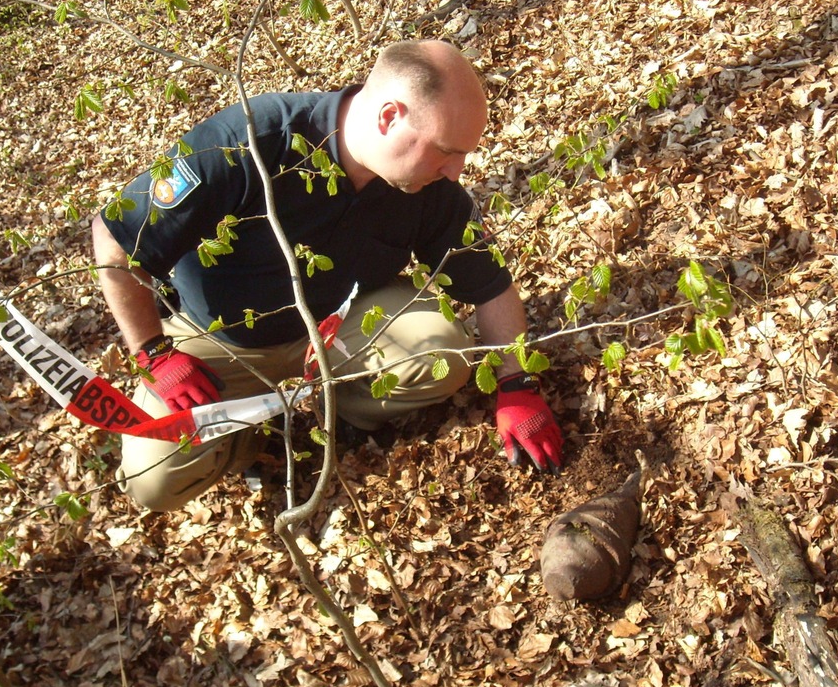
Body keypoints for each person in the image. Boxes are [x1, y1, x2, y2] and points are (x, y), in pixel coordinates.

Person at [92, 39, 563, 512]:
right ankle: (247, 437)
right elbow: (114, 237)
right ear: (388, 118)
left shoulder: (429, 185)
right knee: (152, 481)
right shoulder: (252, 139)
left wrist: (517, 383)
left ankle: (335, 414)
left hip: (337, 328)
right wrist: (153, 354)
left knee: (446, 351)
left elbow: (489, 283)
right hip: (217, 338)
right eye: (445, 151)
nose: (456, 172)